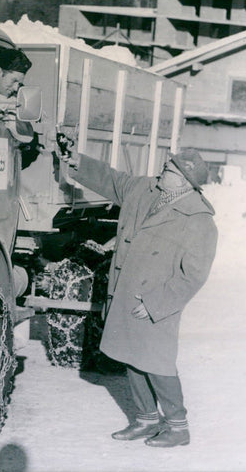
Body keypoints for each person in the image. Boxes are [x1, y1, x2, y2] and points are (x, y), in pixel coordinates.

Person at [58, 140, 217, 448]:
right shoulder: (145, 190)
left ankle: (178, 425)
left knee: (158, 362)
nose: (163, 169)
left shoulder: (199, 219)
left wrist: (156, 304)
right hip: (127, 290)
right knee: (129, 354)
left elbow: (194, 275)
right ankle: (146, 419)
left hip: (156, 300)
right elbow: (112, 179)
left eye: (169, 168)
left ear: (185, 180)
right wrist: (77, 160)